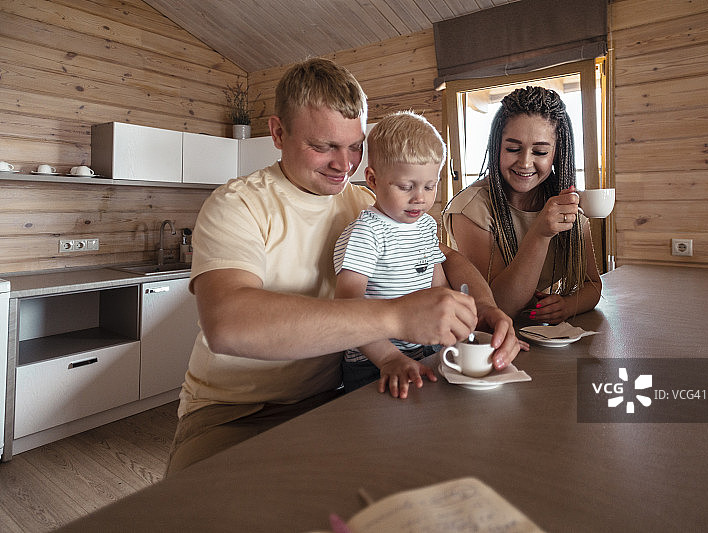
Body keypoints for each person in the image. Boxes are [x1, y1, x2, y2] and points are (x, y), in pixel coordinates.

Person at [166, 58, 520, 475]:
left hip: (332, 396)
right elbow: (227, 324)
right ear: (278, 133)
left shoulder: (362, 202)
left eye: (354, 146)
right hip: (232, 413)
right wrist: (396, 317)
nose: (344, 164)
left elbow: (447, 256)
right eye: (323, 146)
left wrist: (486, 308)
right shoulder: (238, 204)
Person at [443, 86, 602, 326]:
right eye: (513, 149)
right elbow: (499, 306)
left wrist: (568, 306)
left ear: (556, 155)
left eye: (540, 151)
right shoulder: (470, 209)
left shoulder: (566, 206)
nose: (525, 162)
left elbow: (593, 285)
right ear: (497, 147)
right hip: (488, 335)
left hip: (547, 337)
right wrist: (540, 233)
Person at [334, 111, 449, 397]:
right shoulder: (366, 232)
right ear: (372, 179)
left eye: (429, 186)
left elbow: (439, 288)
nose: (420, 197)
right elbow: (348, 308)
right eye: (406, 187)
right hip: (373, 360)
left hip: (424, 350)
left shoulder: (425, 225)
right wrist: (388, 357)